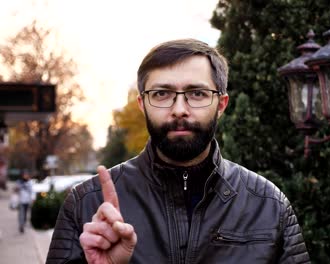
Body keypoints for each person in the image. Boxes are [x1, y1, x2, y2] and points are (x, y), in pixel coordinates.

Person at [46, 39, 311, 263]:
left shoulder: (268, 205)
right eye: (162, 94)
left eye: (197, 93)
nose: (179, 109)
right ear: (142, 104)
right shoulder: (86, 204)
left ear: (221, 104)